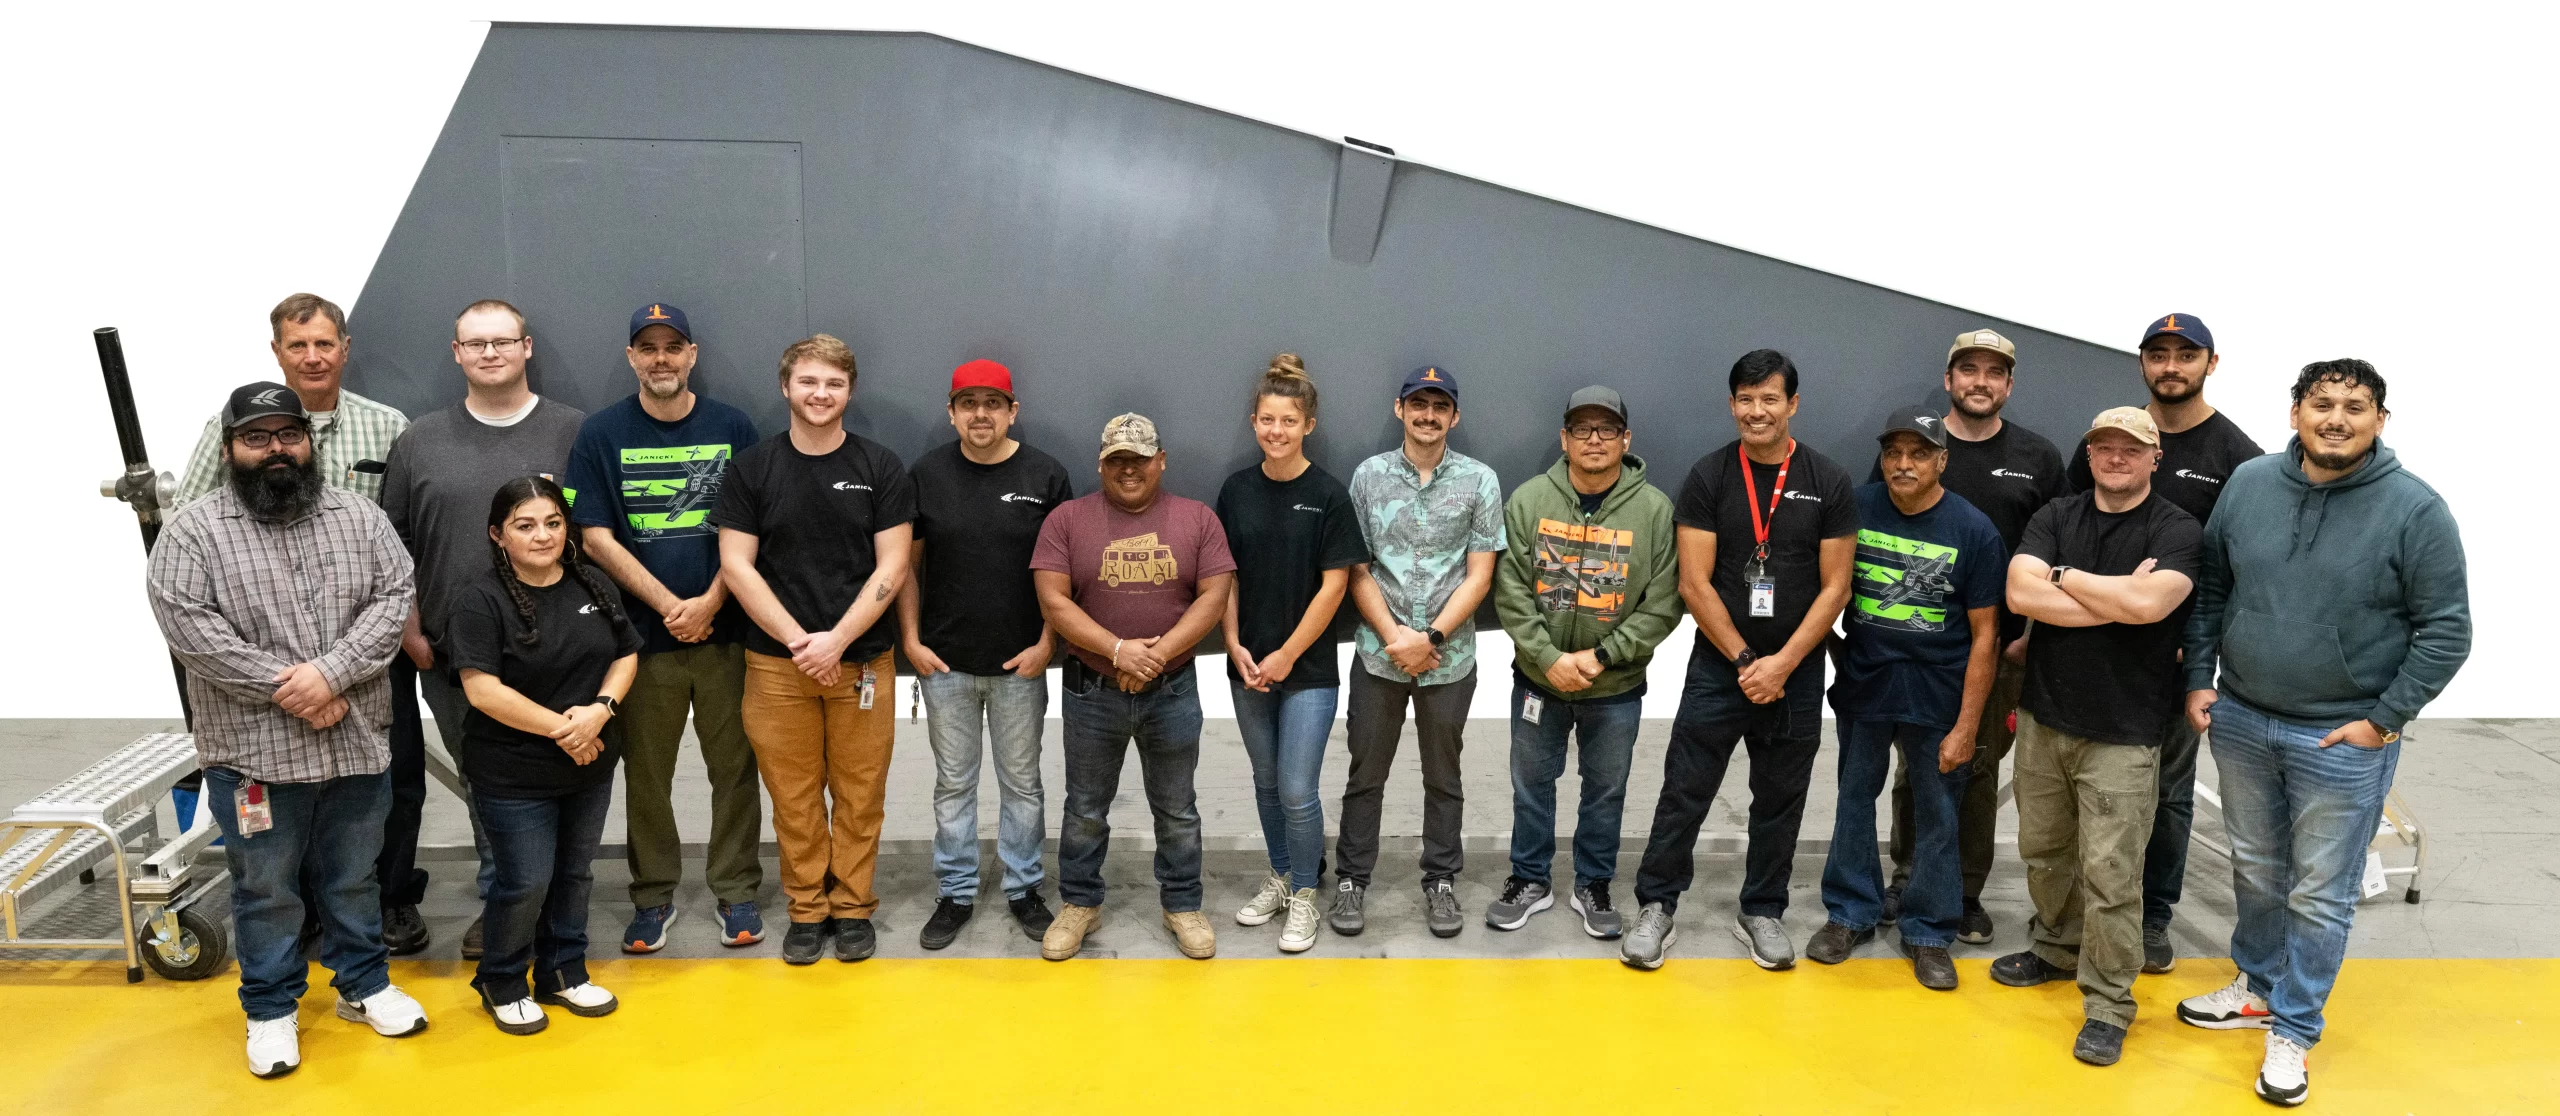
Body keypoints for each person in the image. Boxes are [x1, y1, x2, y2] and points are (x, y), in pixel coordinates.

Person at [2177, 360, 2469, 1107]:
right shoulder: (2249, 486)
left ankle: (2294, 1028)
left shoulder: (2415, 510)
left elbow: (2446, 632)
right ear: (2295, 412)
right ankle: (2259, 986)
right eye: (2321, 404)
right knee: (2255, 865)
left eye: (2355, 406)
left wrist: (2383, 720)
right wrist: (2201, 679)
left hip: (2341, 740)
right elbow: (2213, 589)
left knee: (2321, 893)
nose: (2336, 418)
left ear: (2380, 420)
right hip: (2242, 717)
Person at [147, 382, 424, 1078]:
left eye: (288, 435)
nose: (276, 450)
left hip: (356, 740)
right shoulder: (193, 531)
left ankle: (363, 985)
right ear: (231, 448)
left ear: (309, 441)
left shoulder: (359, 517)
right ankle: (270, 1010)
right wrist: (292, 689)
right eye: (257, 437)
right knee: (265, 888)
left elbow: (395, 598)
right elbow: (190, 628)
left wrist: (329, 676)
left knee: (355, 877)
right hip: (253, 756)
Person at [171, 294, 426, 952]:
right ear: (278, 352)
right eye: (297, 345)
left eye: (323, 343)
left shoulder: (387, 425)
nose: (312, 356)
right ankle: (303, 913)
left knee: (392, 777)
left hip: (365, 653)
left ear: (344, 349)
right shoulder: (224, 434)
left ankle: (391, 900)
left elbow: (401, 544)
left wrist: (341, 669)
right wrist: (294, 682)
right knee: (277, 807)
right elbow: (190, 530)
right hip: (266, 659)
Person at [1622, 350, 1856, 972]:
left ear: (1792, 404)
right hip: (1719, 667)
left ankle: (1763, 911)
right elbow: (1695, 584)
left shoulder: (1828, 480)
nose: (1757, 412)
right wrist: (1749, 659)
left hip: (1798, 671)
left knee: (1780, 797)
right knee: (1684, 790)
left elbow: (1836, 587)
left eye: (1770, 399)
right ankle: (1658, 905)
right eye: (1746, 400)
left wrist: (1781, 665)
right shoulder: (1709, 476)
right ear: (1732, 405)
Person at [1991, 406, 2200, 1068]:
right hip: (2046, 719)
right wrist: (2109, 600)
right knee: (2044, 849)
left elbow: (2150, 607)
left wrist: (2064, 578)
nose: (2115, 457)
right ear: (2088, 453)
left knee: (2112, 873)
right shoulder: (2056, 516)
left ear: (2153, 457)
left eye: (2129, 449)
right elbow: (2021, 596)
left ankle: (2109, 1003)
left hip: (2125, 732)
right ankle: (2055, 946)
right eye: (2103, 447)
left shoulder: (2177, 528)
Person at [381, 299, 587, 960]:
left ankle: (551, 907)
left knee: (562, 777)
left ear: (527, 348)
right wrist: (411, 630)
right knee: (486, 785)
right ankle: (504, 902)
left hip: (557, 654)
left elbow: (599, 541)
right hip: (451, 654)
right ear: (457, 354)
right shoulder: (419, 441)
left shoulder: (577, 433)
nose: (490, 353)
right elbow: (393, 547)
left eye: (502, 341)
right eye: (476, 343)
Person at [564, 303, 766, 954]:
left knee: (733, 768)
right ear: (631, 357)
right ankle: (652, 899)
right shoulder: (601, 434)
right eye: (647, 347)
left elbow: (753, 529)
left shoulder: (734, 427)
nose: (660, 358)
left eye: (672, 346)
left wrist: (708, 601)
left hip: (727, 633)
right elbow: (593, 536)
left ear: (692, 354)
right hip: (639, 643)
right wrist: (669, 606)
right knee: (646, 775)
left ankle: (736, 889)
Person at [2066, 313, 2265, 973]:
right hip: (2093, 651)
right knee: (2086, 786)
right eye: (2158, 354)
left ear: (2211, 363)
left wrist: (2203, 653)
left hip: (2176, 660)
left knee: (2168, 791)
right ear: (2142, 363)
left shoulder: (2238, 459)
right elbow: (2070, 534)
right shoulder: (2104, 441)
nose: (2171, 366)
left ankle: (2151, 917)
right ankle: (2081, 913)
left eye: (2186, 354)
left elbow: (2244, 569)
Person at [712, 334, 916, 965]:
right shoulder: (751, 469)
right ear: (786, 388)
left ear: (849, 392)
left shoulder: (881, 468)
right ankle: (807, 908)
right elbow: (737, 567)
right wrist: (802, 642)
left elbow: (894, 565)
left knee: (859, 794)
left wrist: (838, 640)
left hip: (862, 663)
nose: (820, 394)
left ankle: (853, 908)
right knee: (794, 797)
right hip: (777, 667)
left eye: (833, 383)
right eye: (808, 382)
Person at [1873, 329, 2070, 946]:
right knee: (1914, 768)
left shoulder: (2038, 458)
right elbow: (1874, 534)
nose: (1980, 382)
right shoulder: (1911, 448)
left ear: (2008, 385)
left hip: (1998, 649)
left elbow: (2061, 546)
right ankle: (1907, 876)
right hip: (1910, 646)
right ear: (1950, 378)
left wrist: (2031, 634)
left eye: (1994, 372)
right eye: (1968, 370)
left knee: (1977, 770)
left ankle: (1964, 891)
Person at [1815, 406, 2005, 990]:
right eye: (1894, 453)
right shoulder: (1856, 506)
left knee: (1939, 814)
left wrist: (1968, 725)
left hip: (1938, 693)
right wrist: (1840, 657)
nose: (1903, 464)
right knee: (1853, 798)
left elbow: (1985, 636)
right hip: (1866, 686)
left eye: (1919, 453)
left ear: (1941, 461)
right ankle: (1851, 914)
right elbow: (1825, 592)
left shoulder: (1974, 530)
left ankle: (1927, 931)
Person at [1033, 413, 1236, 961]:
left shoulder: (1197, 519)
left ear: (1160, 461)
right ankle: (1079, 904)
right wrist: (1118, 651)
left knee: (1177, 810)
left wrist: (1155, 655)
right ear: (1101, 463)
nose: (1129, 469)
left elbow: (1213, 597)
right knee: (1084, 808)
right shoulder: (1066, 520)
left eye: (1139, 459)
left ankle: (1183, 904)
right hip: (1091, 689)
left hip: (1171, 690)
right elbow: (1054, 600)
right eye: (1117, 459)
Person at [449, 476, 640, 1035]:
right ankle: (502, 980)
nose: (542, 536)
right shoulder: (480, 599)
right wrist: (568, 729)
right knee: (526, 880)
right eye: (525, 526)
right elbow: (482, 689)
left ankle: (562, 971)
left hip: (590, 761)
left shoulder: (594, 584)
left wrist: (600, 710)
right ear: (498, 535)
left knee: (574, 874)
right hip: (512, 771)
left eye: (553, 523)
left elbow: (626, 655)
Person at [1488, 385, 1680, 940]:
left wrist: (1600, 657)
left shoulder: (1655, 510)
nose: (1593, 440)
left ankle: (1593, 883)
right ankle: (1530, 879)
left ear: (1626, 439)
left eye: (1606, 430)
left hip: (1614, 686)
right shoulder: (1527, 501)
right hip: (1537, 681)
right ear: (1564, 439)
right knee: (1530, 784)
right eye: (1581, 430)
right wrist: (1547, 658)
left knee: (1605, 789)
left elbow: (1665, 602)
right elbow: (1511, 590)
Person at [900, 359, 1074, 949]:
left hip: (1020, 663)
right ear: (951, 411)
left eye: (993, 403)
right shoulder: (925, 475)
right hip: (944, 664)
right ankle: (956, 893)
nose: (981, 414)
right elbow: (906, 569)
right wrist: (912, 641)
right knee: (954, 785)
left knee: (1022, 784)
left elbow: (1062, 575)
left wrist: (1047, 646)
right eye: (969, 403)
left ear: (1012, 411)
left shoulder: (1046, 475)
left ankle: (1024, 888)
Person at [1332, 366, 1505, 939]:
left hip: (1448, 662)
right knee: (1365, 775)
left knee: (1444, 776)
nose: (1428, 415)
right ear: (1399, 409)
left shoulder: (1480, 481)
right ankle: (1353, 881)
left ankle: (1441, 883)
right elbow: (1356, 569)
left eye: (1439, 406)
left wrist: (1427, 640)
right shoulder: (1368, 477)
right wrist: (1395, 638)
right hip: (1379, 657)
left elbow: (1480, 575)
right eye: (1418, 404)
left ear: (1454, 416)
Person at [1215, 356, 1368, 953]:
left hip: (1306, 672)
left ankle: (1306, 891)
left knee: (1296, 787)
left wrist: (1284, 655)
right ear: (1254, 422)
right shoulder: (1235, 489)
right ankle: (1280, 875)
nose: (1276, 430)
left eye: (1288, 420)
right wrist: (1232, 644)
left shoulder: (1327, 494)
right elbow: (1222, 575)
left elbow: (1335, 586)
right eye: (1266, 420)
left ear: (1308, 424)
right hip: (1247, 667)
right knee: (1264, 779)